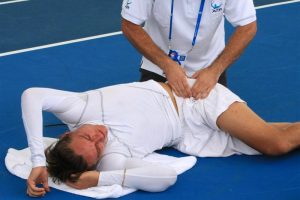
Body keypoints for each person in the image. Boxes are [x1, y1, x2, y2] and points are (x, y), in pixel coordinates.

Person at [22, 79, 300, 197]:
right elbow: (165, 177)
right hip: (190, 136)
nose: (99, 137)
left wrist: (37, 159)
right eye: (97, 147)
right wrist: (98, 179)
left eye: (88, 135)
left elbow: (32, 95)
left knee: (275, 144)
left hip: (195, 99)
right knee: (280, 135)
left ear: (68, 131)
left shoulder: (79, 107)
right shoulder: (111, 160)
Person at [121, 0, 257, 99]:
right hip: (158, 67)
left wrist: (215, 70)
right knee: (152, 127)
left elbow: (247, 27)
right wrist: (167, 65)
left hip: (208, 69)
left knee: (215, 133)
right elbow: (129, 25)